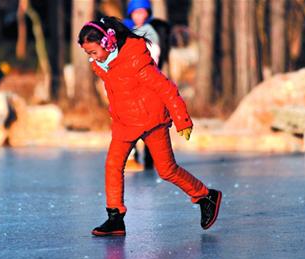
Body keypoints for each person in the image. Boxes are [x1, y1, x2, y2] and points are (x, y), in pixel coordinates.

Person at [78, 17, 222, 236]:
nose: (91, 58)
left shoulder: (136, 61)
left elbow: (166, 88)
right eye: (88, 53)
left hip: (151, 120)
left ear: (108, 43)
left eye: (93, 52)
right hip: (124, 122)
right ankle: (115, 217)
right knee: (113, 165)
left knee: (167, 170)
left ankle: (205, 195)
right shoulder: (103, 64)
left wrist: (182, 118)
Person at [123, 0, 171, 170]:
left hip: (144, 83)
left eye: (143, 13)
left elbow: (153, 58)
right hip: (129, 85)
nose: (139, 16)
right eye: (136, 13)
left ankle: (153, 157)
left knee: (149, 122)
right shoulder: (125, 30)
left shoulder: (150, 32)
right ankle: (132, 155)